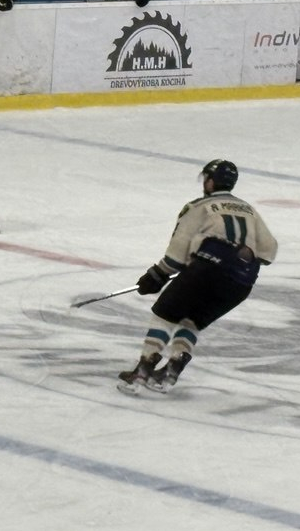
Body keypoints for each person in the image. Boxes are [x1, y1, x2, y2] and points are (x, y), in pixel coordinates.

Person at [117, 159, 277, 394]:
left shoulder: (198, 207)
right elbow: (269, 251)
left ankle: (142, 372)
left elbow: (177, 254)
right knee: (192, 321)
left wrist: (157, 275)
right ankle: (171, 371)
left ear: (211, 181)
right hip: (241, 282)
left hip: (206, 271)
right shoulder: (248, 209)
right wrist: (235, 259)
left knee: (165, 314)